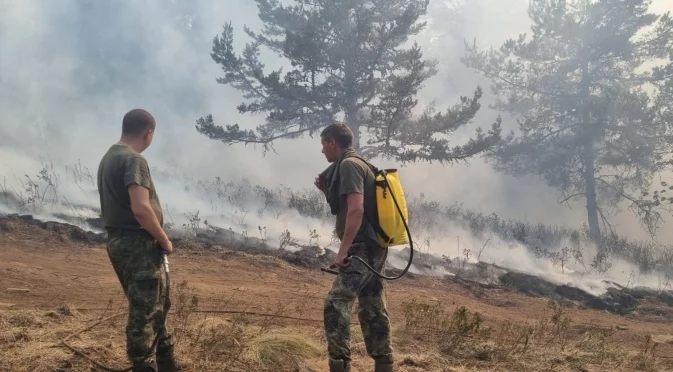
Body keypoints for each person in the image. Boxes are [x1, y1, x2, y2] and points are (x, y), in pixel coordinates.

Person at [97, 108, 186, 372]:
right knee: (144, 312)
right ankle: (144, 366)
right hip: (138, 245)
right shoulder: (134, 160)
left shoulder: (109, 157)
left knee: (155, 305)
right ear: (148, 133)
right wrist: (164, 239)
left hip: (118, 243)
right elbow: (141, 209)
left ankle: (169, 365)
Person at [315, 122, 394, 372]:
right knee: (372, 305)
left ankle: (340, 365)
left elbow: (356, 209)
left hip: (361, 247)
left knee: (336, 302)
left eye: (323, 145)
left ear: (332, 143)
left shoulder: (349, 165)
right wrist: (327, 189)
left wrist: (343, 251)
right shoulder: (358, 163)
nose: (322, 151)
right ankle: (384, 363)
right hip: (374, 245)